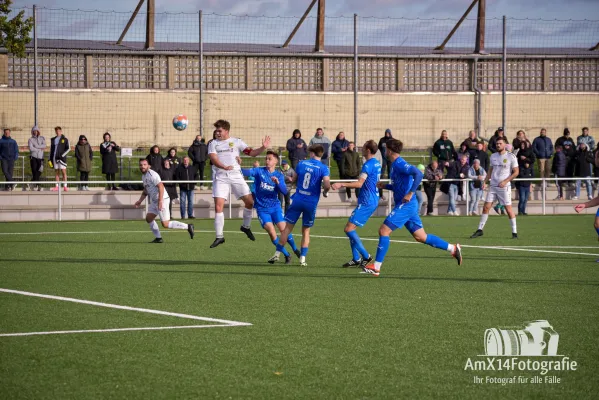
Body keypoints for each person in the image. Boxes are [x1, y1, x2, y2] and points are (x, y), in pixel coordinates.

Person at [361, 139, 462, 277]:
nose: (384, 151)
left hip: (406, 205)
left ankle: (376, 267)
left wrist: (410, 193)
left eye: (385, 148)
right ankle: (453, 248)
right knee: (421, 237)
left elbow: (418, 174)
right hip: (408, 205)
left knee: (383, 231)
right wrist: (385, 186)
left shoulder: (400, 163)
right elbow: (399, 186)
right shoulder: (395, 165)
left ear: (389, 150)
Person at [208, 119, 270, 248]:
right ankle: (219, 236)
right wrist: (224, 167)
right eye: (216, 131)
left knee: (250, 202)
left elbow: (251, 153)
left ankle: (245, 226)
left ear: (226, 131)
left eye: (220, 131)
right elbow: (214, 159)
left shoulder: (236, 142)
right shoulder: (213, 143)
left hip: (236, 175)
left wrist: (263, 147)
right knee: (218, 206)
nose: (217, 133)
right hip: (220, 177)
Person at [242, 151, 300, 264]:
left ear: (275, 161)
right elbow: (246, 171)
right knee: (271, 231)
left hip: (275, 207)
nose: (267, 161)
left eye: (269, 159)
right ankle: (287, 255)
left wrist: (278, 183)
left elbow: (284, 191)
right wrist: (236, 166)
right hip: (262, 209)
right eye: (266, 159)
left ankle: (295, 249)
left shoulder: (279, 175)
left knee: (284, 230)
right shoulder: (259, 171)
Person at [277, 144, 331, 266]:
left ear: (312, 153)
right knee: (306, 231)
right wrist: (325, 192)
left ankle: (277, 254)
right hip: (311, 202)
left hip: (298, 199)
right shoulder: (323, 167)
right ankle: (302, 259)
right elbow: (327, 185)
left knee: (287, 229)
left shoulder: (302, 163)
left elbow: (294, 179)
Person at [331, 140, 381, 268]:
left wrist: (341, 183)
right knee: (351, 229)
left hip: (367, 201)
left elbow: (359, 183)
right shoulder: (376, 163)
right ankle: (356, 258)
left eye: (363, 147)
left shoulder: (368, 165)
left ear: (368, 150)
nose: (361, 149)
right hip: (371, 199)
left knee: (348, 229)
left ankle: (366, 256)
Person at [134, 159, 194, 243]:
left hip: (162, 200)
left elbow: (161, 187)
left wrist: (160, 201)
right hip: (155, 201)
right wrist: (140, 201)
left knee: (165, 224)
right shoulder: (144, 176)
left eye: (144, 164)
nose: (142, 166)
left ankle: (188, 226)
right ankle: (158, 238)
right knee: (149, 218)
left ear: (148, 165)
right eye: (141, 165)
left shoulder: (152, 175)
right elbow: (146, 190)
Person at [470, 137, 519, 239]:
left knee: (508, 209)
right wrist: (485, 181)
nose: (498, 145)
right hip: (493, 186)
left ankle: (514, 232)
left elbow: (516, 172)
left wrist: (505, 181)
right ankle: (480, 230)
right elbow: (490, 170)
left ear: (505, 144)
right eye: (497, 143)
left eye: (500, 143)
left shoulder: (511, 156)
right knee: (486, 207)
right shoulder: (493, 156)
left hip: (504, 187)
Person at [49, 127, 70, 191]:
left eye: (59, 131)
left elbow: (68, 148)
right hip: (54, 157)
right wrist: (50, 158)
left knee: (63, 172)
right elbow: (51, 149)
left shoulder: (65, 139)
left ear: (61, 131)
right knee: (57, 172)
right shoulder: (53, 139)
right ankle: (57, 186)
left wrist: (62, 155)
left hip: (61, 158)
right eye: (56, 131)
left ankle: (65, 186)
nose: (58, 132)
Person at [27, 126, 46, 191]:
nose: (35, 132)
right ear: (32, 132)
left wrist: (36, 146)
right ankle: (38, 185)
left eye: (36, 131)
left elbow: (44, 145)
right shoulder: (30, 139)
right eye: (34, 131)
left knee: (40, 170)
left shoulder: (42, 138)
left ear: (38, 131)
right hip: (34, 156)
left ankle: (32, 182)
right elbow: (31, 148)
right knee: (34, 171)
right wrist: (39, 149)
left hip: (40, 157)